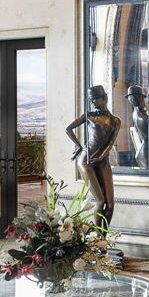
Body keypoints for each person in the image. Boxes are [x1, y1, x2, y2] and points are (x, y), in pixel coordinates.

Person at [65, 85, 123, 224]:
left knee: (110, 205)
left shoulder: (115, 121)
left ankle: (103, 238)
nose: (93, 102)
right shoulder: (88, 115)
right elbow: (68, 129)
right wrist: (79, 146)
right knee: (100, 200)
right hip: (86, 159)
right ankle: (97, 239)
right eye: (91, 100)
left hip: (102, 160)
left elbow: (110, 144)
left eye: (95, 99)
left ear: (104, 98)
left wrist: (101, 157)